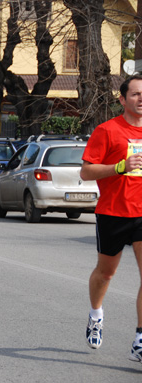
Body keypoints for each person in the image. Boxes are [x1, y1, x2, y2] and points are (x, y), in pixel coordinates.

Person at [80, 74, 142, 364]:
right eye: (135, 94)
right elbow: (86, 172)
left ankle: (140, 338)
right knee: (106, 274)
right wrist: (119, 166)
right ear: (122, 99)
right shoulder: (107, 131)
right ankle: (96, 315)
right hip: (113, 213)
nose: (141, 99)